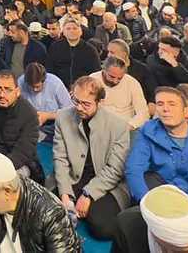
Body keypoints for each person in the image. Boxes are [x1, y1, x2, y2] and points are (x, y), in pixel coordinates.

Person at [125, 86, 188, 220]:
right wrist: (146, 203)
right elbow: (134, 168)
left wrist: (180, 214)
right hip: (162, 195)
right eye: (160, 104)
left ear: (186, 111)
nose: (165, 109)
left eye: (172, 104)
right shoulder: (148, 131)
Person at [52, 75, 131, 240]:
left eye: (86, 104)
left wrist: (88, 195)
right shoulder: (62, 117)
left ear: (100, 103)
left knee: (102, 229)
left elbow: (115, 170)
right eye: (76, 101)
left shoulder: (118, 126)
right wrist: (65, 195)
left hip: (106, 184)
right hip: (72, 177)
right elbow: (60, 159)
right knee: (43, 211)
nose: (79, 107)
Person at [90, 55, 148, 130]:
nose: (115, 81)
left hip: (126, 126)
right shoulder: (92, 80)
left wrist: (131, 125)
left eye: (119, 78)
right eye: (112, 77)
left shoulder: (131, 82)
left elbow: (143, 111)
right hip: (99, 126)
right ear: (104, 70)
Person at [18, 62, 72, 141]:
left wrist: (48, 116)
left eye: (37, 86)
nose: (34, 90)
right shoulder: (21, 82)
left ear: (44, 80)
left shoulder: (55, 84)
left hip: (55, 125)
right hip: (31, 124)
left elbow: (70, 113)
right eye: (31, 86)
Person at [46, 19, 101, 89]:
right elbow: (49, 68)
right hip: (59, 87)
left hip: (83, 88)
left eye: (75, 28)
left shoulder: (90, 50)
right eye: (68, 28)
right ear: (63, 32)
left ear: (81, 31)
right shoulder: (55, 47)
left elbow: (95, 73)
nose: (71, 31)